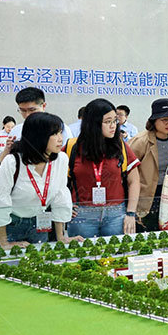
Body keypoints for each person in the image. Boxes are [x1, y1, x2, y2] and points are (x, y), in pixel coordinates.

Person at [0, 112, 81, 248]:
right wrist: (5, 243)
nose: (60, 139)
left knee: (40, 260)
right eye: (54, 134)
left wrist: (61, 237)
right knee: (10, 260)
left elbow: (60, 197)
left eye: (60, 132)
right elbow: (0, 201)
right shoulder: (13, 162)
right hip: (12, 225)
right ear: (38, 136)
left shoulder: (61, 159)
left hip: (41, 224)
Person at [66, 98, 141, 237]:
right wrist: (65, 206)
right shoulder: (72, 148)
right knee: (83, 250)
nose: (113, 126)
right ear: (92, 123)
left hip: (116, 214)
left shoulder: (120, 147)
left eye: (115, 121)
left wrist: (131, 213)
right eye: (107, 122)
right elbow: (57, 182)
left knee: (117, 250)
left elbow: (134, 180)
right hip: (82, 214)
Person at [129, 99, 168, 232]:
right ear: (154, 120)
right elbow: (127, 170)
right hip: (147, 196)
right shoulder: (140, 141)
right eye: (164, 120)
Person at [0, 87, 73, 162]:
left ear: (43, 106)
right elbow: (4, 161)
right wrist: (8, 149)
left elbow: (68, 158)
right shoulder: (16, 130)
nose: (27, 115)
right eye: (23, 110)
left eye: (32, 110)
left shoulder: (59, 129)